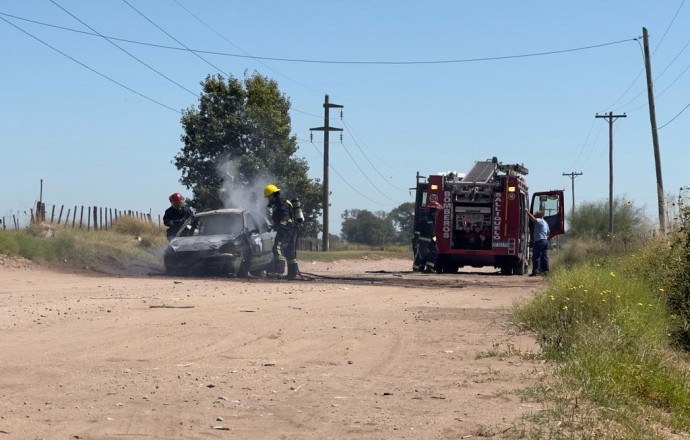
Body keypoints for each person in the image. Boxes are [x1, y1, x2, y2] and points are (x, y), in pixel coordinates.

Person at [264, 184, 300, 280]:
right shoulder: (280, 201)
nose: (268, 199)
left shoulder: (280, 201)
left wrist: (281, 226)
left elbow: (284, 215)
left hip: (286, 229)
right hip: (291, 228)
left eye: (268, 197)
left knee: (277, 247)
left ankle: (278, 272)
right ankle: (292, 274)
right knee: (289, 251)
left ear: (272, 194)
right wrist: (275, 225)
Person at [413, 200, 442, 273]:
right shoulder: (425, 217)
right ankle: (416, 268)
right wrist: (417, 237)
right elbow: (419, 227)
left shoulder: (433, 217)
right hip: (423, 239)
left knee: (434, 251)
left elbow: (432, 232)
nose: (437, 212)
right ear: (433, 209)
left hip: (430, 238)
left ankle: (429, 268)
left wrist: (435, 240)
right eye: (436, 210)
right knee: (421, 254)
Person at [525, 208, 550, 276]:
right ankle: (545, 271)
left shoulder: (540, 220)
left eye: (536, 213)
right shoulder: (545, 222)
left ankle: (535, 272)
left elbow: (533, 219)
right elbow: (548, 232)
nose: (535, 214)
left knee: (536, 256)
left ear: (539, 215)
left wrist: (527, 212)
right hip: (545, 241)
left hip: (539, 241)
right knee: (544, 256)